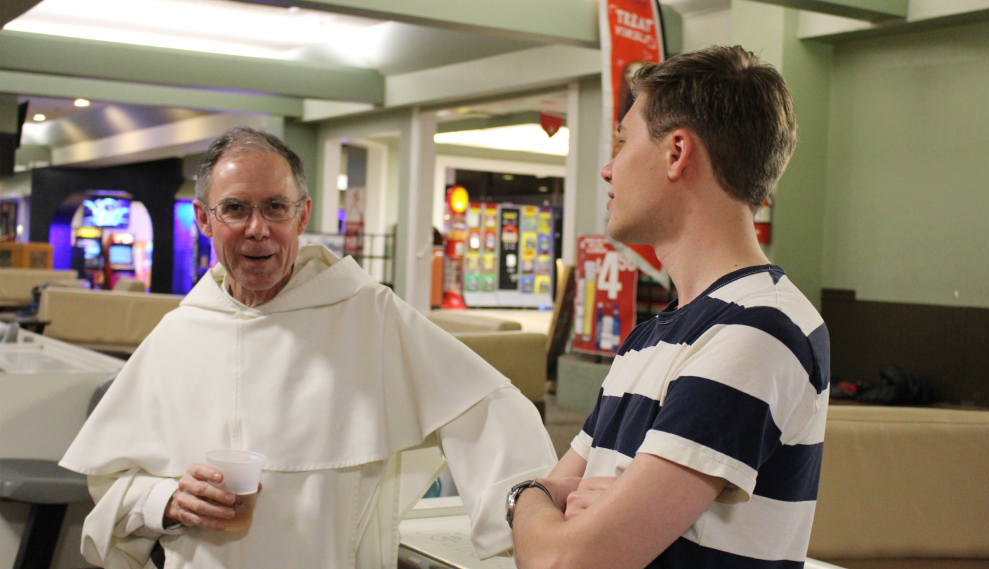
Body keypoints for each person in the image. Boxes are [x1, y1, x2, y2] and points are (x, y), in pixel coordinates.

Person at [60, 126, 557, 569]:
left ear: (302, 216)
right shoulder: (178, 334)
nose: (258, 228)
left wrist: (537, 530)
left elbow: (488, 406)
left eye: (276, 207)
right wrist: (165, 500)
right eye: (235, 208)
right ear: (205, 220)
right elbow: (112, 485)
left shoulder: (368, 315)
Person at [507, 46, 830, 569]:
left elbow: (567, 560)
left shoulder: (760, 329)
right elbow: (561, 500)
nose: (609, 170)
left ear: (677, 153)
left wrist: (524, 498)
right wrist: (552, 500)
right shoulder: (651, 337)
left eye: (623, 141)